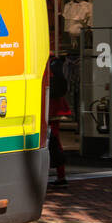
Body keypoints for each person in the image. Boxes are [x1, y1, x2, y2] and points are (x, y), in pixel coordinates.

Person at [47, 53, 71, 187]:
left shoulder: (44, 63)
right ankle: (61, 175)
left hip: (48, 108)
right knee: (55, 141)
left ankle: (60, 177)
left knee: (52, 142)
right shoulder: (54, 62)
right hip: (56, 107)